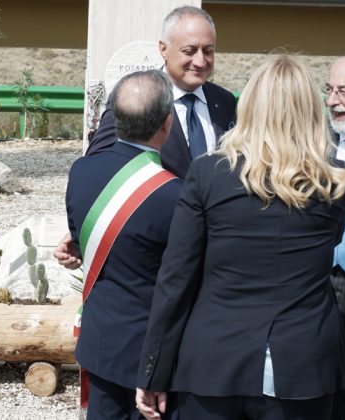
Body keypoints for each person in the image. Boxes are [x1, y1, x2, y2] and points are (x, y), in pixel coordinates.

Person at [136, 55, 345, 420]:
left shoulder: (208, 172)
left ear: (250, 105)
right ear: (309, 110)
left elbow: (176, 278)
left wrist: (152, 370)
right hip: (304, 360)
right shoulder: (335, 179)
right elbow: (330, 239)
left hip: (214, 357)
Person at [54, 5, 236, 268]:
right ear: (163, 49)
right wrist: (85, 233)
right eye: (189, 51)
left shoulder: (224, 102)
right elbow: (101, 166)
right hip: (157, 256)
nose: (200, 61)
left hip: (216, 252)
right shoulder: (136, 94)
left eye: (208, 51)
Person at [66, 69, 182, 419]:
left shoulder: (81, 172)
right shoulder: (175, 195)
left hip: (100, 343)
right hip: (150, 355)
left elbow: (84, 242)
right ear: (167, 123)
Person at [326, 53, 345, 420]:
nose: (332, 100)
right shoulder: (318, 144)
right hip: (324, 284)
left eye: (344, 91)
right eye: (329, 90)